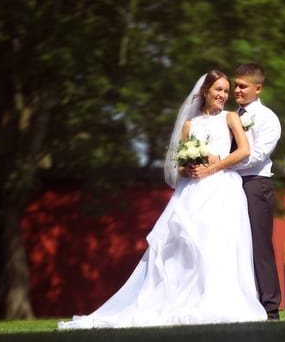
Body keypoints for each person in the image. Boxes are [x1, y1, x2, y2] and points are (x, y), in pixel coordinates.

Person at [58, 70, 267, 329]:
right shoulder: (190, 125)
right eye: (218, 90)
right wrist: (188, 168)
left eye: (226, 91)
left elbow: (244, 151)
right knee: (182, 242)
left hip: (221, 188)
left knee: (215, 243)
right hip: (191, 190)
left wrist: (213, 167)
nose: (224, 95)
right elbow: (177, 163)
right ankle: (180, 299)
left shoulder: (231, 117)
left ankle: (215, 299)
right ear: (205, 91)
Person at [230, 63, 282, 320]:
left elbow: (257, 156)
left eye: (242, 86)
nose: (236, 90)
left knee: (259, 246)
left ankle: (270, 308)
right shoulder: (229, 116)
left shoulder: (268, 118)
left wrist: (222, 163)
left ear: (258, 88)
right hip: (227, 184)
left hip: (254, 184)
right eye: (235, 85)